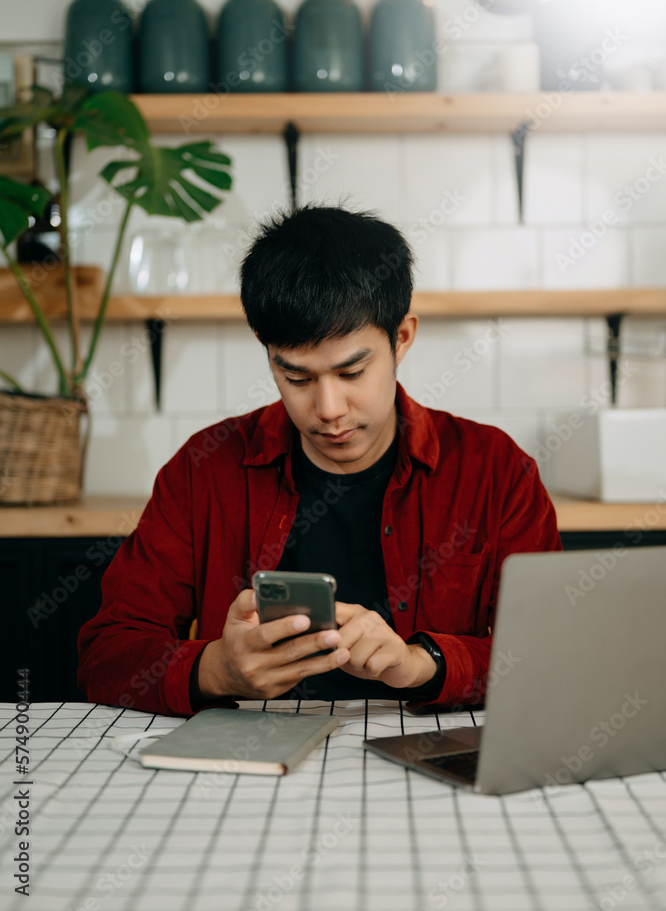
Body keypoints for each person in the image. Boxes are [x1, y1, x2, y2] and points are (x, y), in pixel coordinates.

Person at [77, 203, 561, 717]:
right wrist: (218, 669)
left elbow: (550, 653)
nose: (328, 410)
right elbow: (109, 653)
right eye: (298, 379)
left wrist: (422, 663)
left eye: (352, 374)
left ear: (402, 338)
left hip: (426, 757)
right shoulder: (203, 470)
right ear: (269, 356)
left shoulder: (496, 471)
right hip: (249, 766)